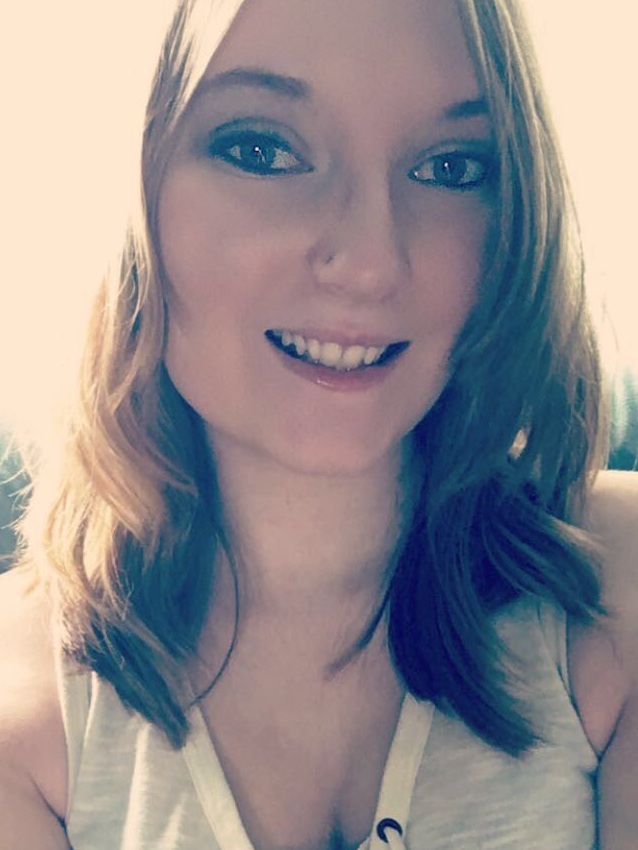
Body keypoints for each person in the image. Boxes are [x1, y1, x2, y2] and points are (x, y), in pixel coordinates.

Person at [1, 0, 637, 847]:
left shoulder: (612, 591)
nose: (371, 261)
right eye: (262, 151)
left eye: (451, 167)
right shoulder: (23, 713)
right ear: (130, 193)